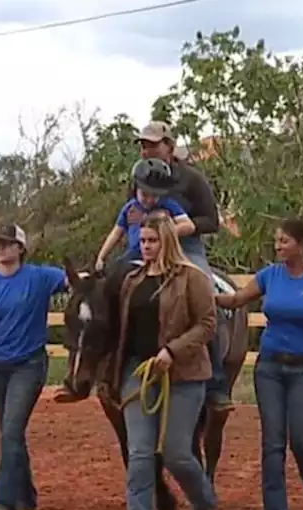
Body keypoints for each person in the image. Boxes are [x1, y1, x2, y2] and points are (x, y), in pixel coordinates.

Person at [216, 218, 303, 510]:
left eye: (284, 241)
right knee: (272, 442)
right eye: (277, 241)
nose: (278, 246)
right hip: (270, 367)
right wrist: (206, 294)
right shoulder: (269, 276)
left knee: (302, 439)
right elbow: (236, 299)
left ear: (302, 244)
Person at [106, 210, 219, 510]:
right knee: (140, 452)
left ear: (167, 241)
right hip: (138, 374)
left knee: (174, 452)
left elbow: (208, 323)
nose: (146, 246)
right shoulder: (132, 281)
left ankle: (203, 499)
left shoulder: (192, 278)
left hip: (183, 375)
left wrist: (172, 350)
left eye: (152, 240)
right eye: (142, 241)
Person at [0, 223, 69, 510]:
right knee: (11, 433)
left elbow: (76, 283)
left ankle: (4, 501)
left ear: (20, 247)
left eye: (6, 243)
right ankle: (26, 494)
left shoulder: (39, 277)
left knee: (10, 431)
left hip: (29, 365)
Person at [131, 121, 232, 412]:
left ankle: (217, 383)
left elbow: (211, 221)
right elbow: (131, 213)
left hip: (186, 248)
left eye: (152, 144)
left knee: (206, 295)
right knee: (114, 288)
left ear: (169, 147)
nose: (146, 149)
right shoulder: (137, 176)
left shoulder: (191, 179)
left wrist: (174, 229)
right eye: (143, 144)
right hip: (146, 245)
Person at [94, 159, 195, 270]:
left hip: (162, 255)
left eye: (155, 195)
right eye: (145, 194)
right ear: (135, 188)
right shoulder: (130, 208)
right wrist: (101, 257)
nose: (150, 200)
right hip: (135, 255)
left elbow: (189, 226)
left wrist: (165, 232)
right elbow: (116, 233)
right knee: (116, 272)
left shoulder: (167, 205)